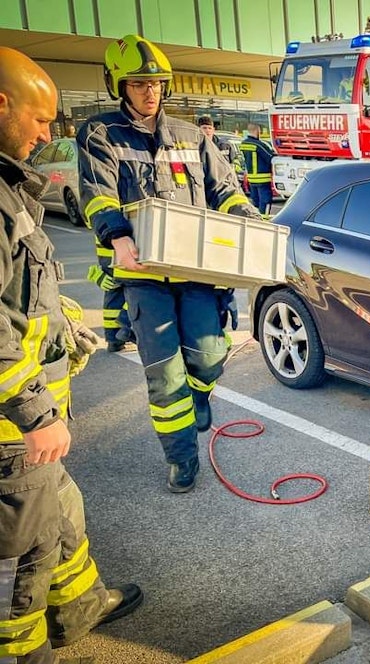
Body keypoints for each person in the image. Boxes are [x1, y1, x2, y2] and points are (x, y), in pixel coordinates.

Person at [0, 45, 143, 663]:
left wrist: (64, 326)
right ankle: (25, 654)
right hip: (14, 428)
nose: (47, 132)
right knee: (21, 561)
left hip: (31, 425)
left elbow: (20, 298)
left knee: (63, 517)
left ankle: (83, 608)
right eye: (39, 119)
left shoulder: (11, 190)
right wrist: (34, 412)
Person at [76, 34, 260, 493]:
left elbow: (225, 191)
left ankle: (200, 400)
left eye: (156, 83)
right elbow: (97, 196)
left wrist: (249, 222)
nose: (150, 91)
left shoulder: (191, 135)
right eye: (138, 84)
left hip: (196, 274)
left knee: (210, 356)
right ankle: (181, 457)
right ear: (119, 86)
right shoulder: (100, 134)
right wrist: (117, 237)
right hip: (143, 277)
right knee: (165, 374)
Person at [239, 123, 275, 215]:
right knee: (265, 202)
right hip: (263, 178)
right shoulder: (259, 145)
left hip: (251, 179)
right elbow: (270, 157)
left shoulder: (243, 144)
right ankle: (264, 220)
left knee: (256, 202)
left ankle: (257, 220)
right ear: (257, 131)